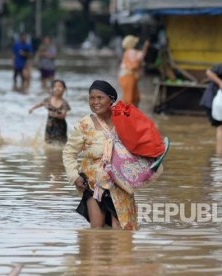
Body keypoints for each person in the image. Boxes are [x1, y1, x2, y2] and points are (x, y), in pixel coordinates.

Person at [62, 80, 137, 230]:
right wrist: (74, 176)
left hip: (120, 183)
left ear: (111, 100)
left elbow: (139, 147)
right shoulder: (85, 124)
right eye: (92, 98)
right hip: (93, 183)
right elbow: (69, 152)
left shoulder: (124, 120)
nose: (95, 102)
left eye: (100, 98)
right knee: (97, 230)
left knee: (121, 229)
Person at [29, 79, 71, 145]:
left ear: (64, 89)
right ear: (51, 89)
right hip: (50, 125)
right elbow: (40, 104)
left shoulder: (64, 103)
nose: (57, 88)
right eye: (55, 86)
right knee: (48, 142)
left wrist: (55, 115)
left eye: (60, 86)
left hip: (61, 127)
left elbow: (64, 115)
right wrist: (32, 108)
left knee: (61, 143)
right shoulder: (48, 100)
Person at [118, 35, 149, 107]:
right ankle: (126, 116)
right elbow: (140, 57)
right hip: (128, 76)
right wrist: (146, 46)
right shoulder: (131, 52)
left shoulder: (128, 52)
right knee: (130, 99)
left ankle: (128, 115)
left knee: (134, 98)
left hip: (127, 77)